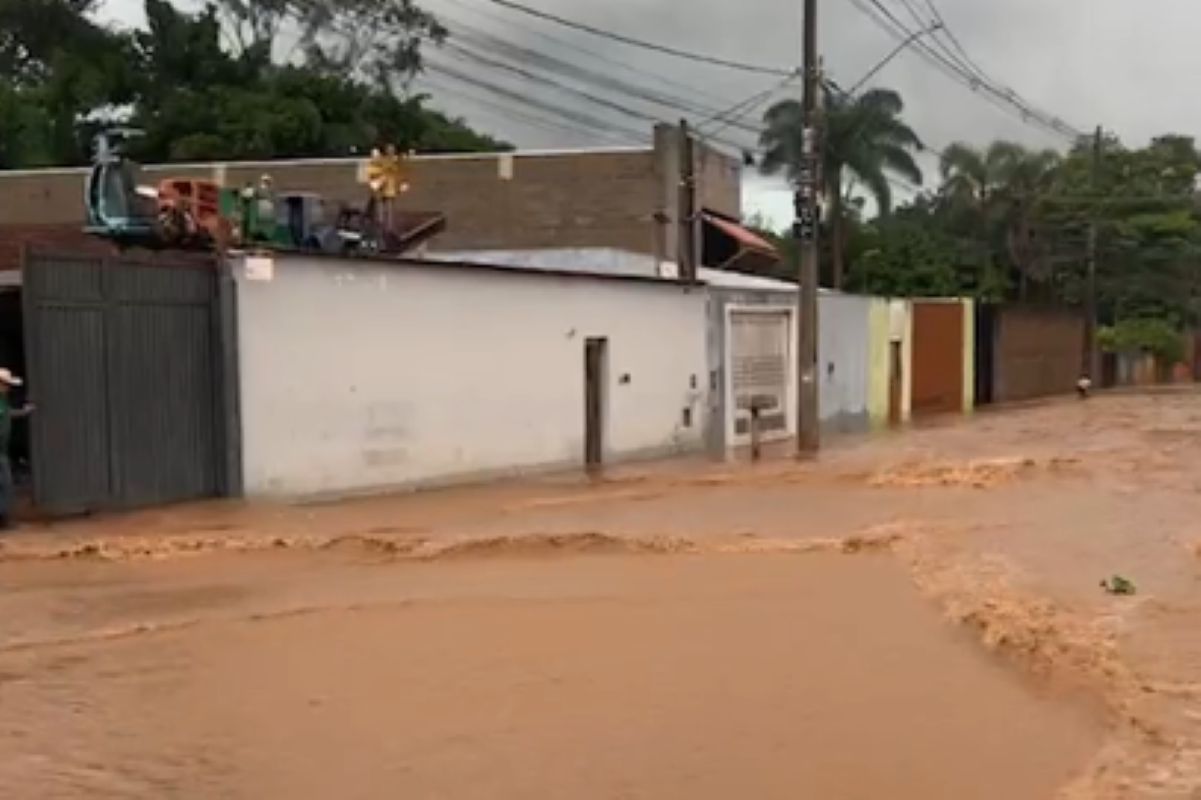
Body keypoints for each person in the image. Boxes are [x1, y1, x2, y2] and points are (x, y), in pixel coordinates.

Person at [0, 369, 33, 530]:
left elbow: (6, 414)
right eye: (6, 385)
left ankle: (4, 519)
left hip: (2, 451)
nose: (8, 388)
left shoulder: (2, 401)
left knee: (5, 485)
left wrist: (23, 412)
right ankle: (4, 521)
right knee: (5, 485)